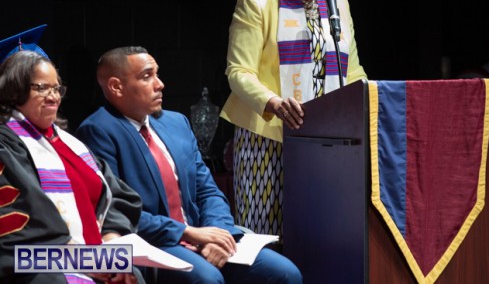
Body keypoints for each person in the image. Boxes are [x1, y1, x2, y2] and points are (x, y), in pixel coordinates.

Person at [75, 46, 302, 284]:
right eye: (146, 76)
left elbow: (207, 190)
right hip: (155, 242)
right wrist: (189, 233)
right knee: (207, 279)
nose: (160, 84)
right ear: (116, 87)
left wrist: (218, 235)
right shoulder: (99, 130)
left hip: (202, 235)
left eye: (157, 74)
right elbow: (115, 210)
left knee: (285, 273)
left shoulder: (176, 122)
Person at [220, 0, 367, 238]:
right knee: (266, 236)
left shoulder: (338, 3)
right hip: (267, 138)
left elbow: (352, 71)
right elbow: (238, 71)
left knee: (318, 234)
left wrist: (367, 101)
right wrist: (274, 102)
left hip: (325, 138)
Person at [0, 49, 144, 284]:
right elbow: (26, 220)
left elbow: (113, 194)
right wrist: (84, 260)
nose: (53, 97)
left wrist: (111, 240)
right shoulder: (6, 145)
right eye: (41, 88)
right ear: (15, 90)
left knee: (131, 273)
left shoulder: (71, 145)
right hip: (35, 262)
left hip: (95, 257)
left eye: (57, 89)